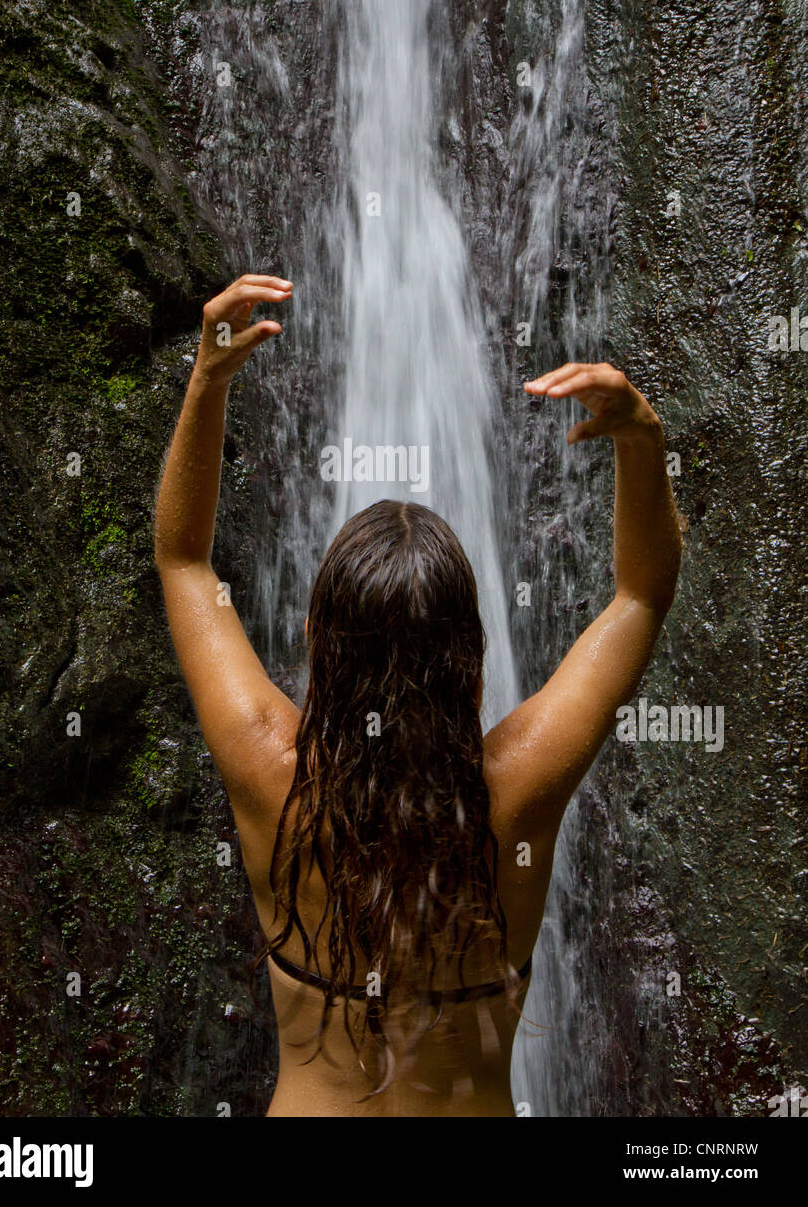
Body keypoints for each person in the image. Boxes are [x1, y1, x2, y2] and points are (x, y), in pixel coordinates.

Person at [153, 274, 682, 1117]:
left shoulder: (266, 770)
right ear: (474, 664)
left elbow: (183, 560)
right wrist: (642, 436)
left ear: (316, 655)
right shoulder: (521, 787)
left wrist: (208, 375)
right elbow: (642, 595)